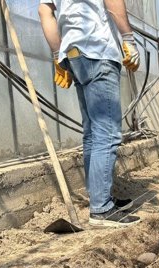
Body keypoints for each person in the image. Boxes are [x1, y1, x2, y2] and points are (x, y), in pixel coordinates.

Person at [39, 0, 142, 228]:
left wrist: (58, 54)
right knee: (107, 133)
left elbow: (44, 11)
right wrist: (128, 39)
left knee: (93, 133)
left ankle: (99, 196)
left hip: (74, 54)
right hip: (98, 49)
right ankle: (101, 208)